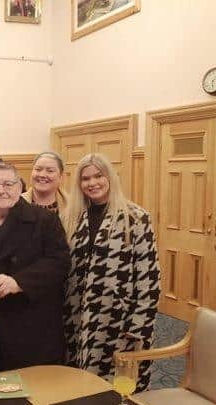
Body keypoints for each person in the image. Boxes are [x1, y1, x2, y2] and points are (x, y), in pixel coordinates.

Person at [0, 162, 71, 373]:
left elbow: (60, 263)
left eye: (8, 184)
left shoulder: (44, 220)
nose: (1, 190)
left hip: (32, 325)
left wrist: (19, 282)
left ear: (19, 187)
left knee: (36, 395)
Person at [63, 153, 161, 392]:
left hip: (119, 320)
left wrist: (138, 325)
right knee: (80, 385)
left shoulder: (135, 217)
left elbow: (149, 278)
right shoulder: (73, 217)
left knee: (118, 388)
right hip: (79, 316)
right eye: (86, 178)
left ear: (110, 177)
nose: (92, 183)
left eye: (99, 175)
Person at [21, 151, 68, 216]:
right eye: (38, 169)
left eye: (50, 171)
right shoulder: (15, 203)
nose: (42, 175)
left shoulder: (72, 205)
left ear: (61, 176)